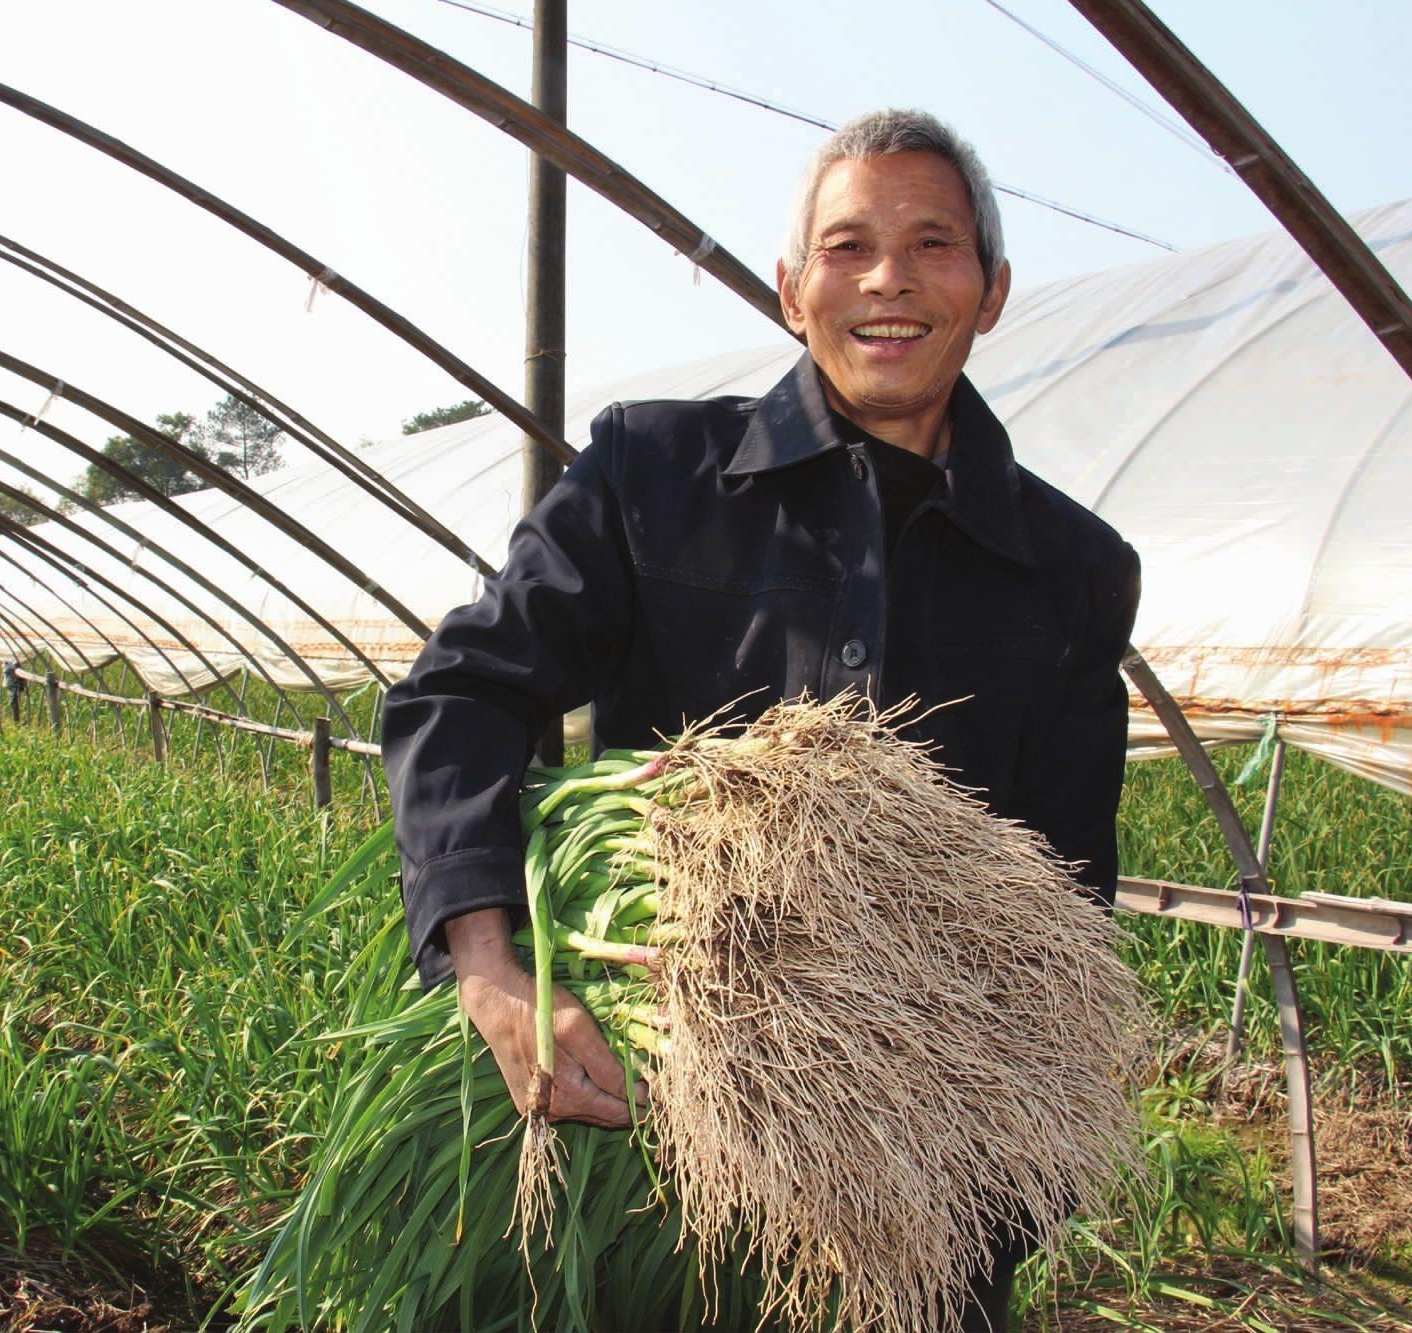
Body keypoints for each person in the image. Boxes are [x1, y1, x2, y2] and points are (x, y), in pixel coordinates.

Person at [381, 107, 1141, 1331]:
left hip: (914, 1206)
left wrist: (975, 1206)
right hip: (637, 1147)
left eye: (931, 244)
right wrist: (488, 963)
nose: (887, 277)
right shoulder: (651, 475)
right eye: (847, 247)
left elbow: (1062, 904)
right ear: (791, 290)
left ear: (990, 292)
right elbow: (461, 692)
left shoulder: (1068, 568)